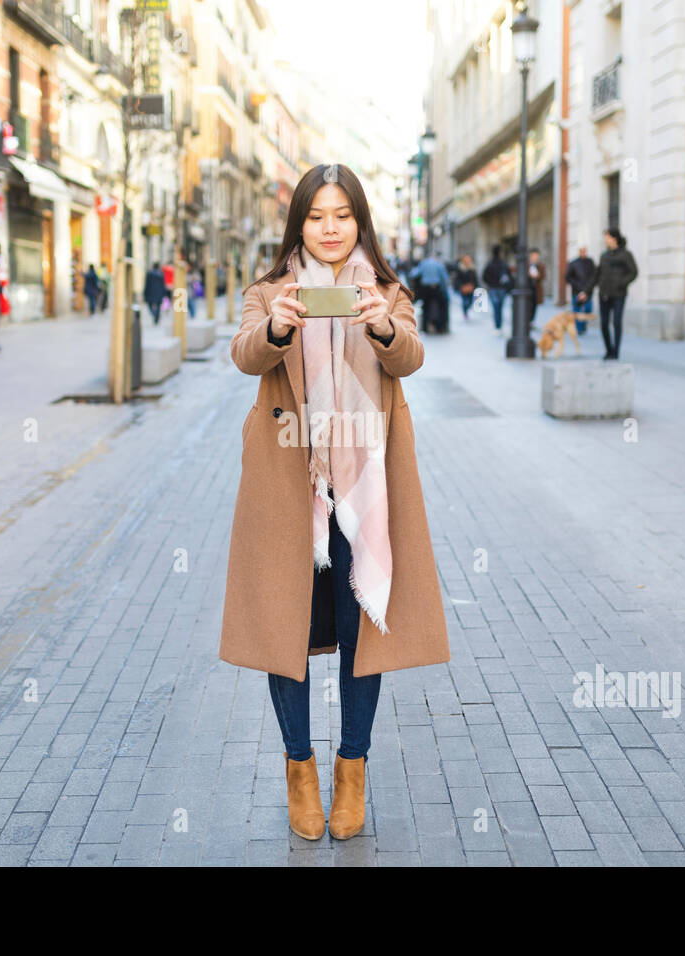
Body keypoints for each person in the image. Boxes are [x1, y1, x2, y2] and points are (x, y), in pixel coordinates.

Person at [221, 162, 450, 842]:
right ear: (300, 222)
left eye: (342, 216)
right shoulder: (270, 290)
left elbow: (409, 359)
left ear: (359, 222)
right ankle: (299, 768)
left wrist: (382, 326)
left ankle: (353, 766)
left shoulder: (385, 288)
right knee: (280, 630)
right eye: (317, 216)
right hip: (287, 483)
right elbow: (244, 356)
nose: (329, 228)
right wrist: (280, 329)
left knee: (361, 634)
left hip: (365, 490)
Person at [583, 228, 639, 360]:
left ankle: (616, 351)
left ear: (614, 238)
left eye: (607, 237)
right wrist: (586, 291)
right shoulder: (604, 255)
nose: (605, 240)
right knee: (603, 323)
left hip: (619, 294)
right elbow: (596, 275)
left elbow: (634, 272)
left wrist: (621, 283)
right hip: (604, 294)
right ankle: (608, 349)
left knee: (617, 322)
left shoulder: (626, 255)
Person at [408, 252, 450, 334]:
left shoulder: (423, 263)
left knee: (425, 307)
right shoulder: (439, 264)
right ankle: (440, 327)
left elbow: (414, 274)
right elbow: (444, 279)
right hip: (436, 288)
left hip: (425, 288)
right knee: (441, 307)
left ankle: (425, 327)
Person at [565, 246, 597, 336]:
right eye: (581, 251)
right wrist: (578, 287)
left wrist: (587, 289)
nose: (583, 252)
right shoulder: (573, 263)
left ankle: (583, 325)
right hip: (576, 291)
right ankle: (578, 328)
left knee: (588, 309)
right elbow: (568, 277)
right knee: (577, 310)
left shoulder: (590, 262)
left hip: (588, 291)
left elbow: (594, 275)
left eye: (584, 251)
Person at [481, 245, 512, 333]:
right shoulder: (503, 263)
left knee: (496, 307)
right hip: (501, 289)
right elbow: (508, 276)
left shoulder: (490, 263)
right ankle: (499, 325)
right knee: (500, 307)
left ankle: (497, 325)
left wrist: (490, 284)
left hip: (493, 289)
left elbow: (484, 276)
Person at [453, 254, 478, 320]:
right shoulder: (460, 268)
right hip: (463, 288)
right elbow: (457, 279)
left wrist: (476, 286)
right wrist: (458, 287)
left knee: (470, 301)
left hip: (471, 287)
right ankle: (465, 313)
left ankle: (466, 311)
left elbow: (475, 279)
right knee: (465, 301)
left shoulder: (472, 268)